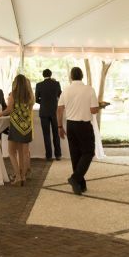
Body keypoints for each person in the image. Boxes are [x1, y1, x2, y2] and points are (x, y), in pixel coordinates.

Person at [57, 67, 99, 195]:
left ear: (71, 76)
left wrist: (59, 127)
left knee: (75, 155)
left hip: (70, 125)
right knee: (88, 152)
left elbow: (59, 109)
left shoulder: (66, 90)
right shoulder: (89, 89)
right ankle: (75, 179)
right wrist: (99, 106)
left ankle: (80, 185)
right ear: (82, 76)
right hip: (84, 125)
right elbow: (93, 110)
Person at [3, 74, 33, 186]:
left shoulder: (13, 95)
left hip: (16, 126)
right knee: (24, 153)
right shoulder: (29, 95)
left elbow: (9, 109)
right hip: (27, 126)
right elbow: (29, 110)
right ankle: (24, 176)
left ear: (15, 83)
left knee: (11, 152)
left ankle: (18, 176)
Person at [35, 69, 62, 161]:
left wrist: (42, 103)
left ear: (43, 75)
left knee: (46, 135)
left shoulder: (39, 85)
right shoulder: (56, 84)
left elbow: (36, 99)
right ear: (51, 75)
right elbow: (60, 96)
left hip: (44, 112)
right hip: (54, 112)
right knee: (56, 134)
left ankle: (49, 156)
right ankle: (58, 155)